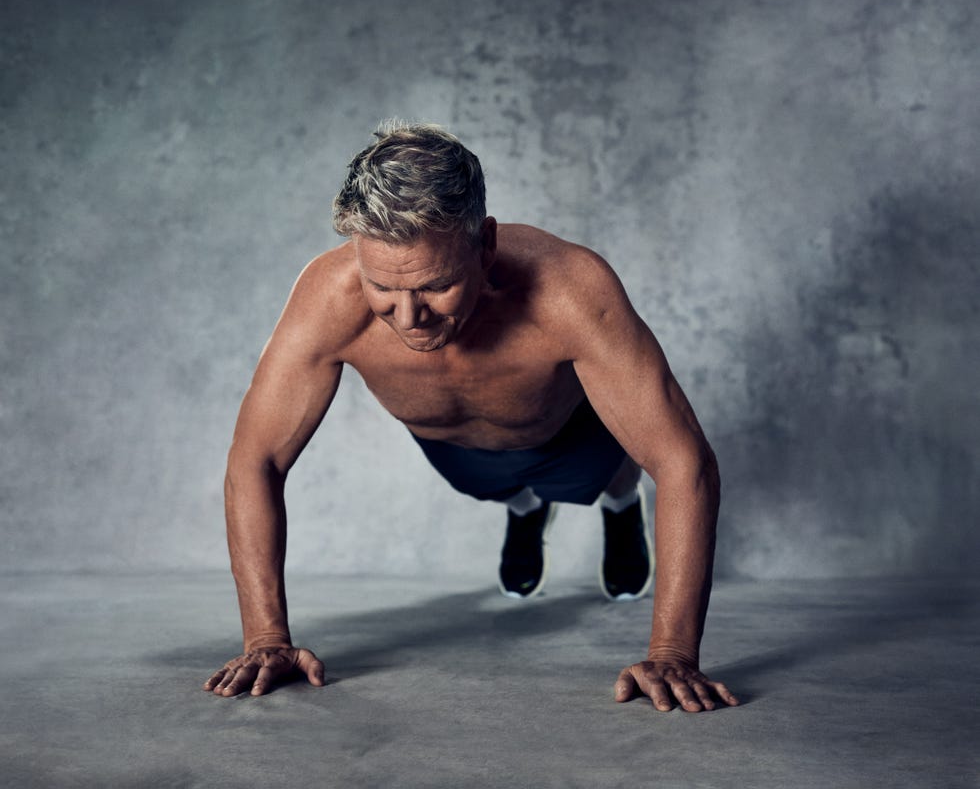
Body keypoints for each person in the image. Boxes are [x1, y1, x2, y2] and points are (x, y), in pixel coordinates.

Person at [203, 122, 739, 713]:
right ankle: (523, 509)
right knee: (498, 487)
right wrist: (265, 639)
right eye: (383, 287)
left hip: (566, 433)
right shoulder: (327, 299)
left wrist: (673, 653)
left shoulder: (569, 289)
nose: (409, 318)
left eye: (437, 286)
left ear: (485, 246)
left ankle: (618, 507)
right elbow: (256, 460)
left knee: (614, 470)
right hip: (454, 450)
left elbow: (685, 462)